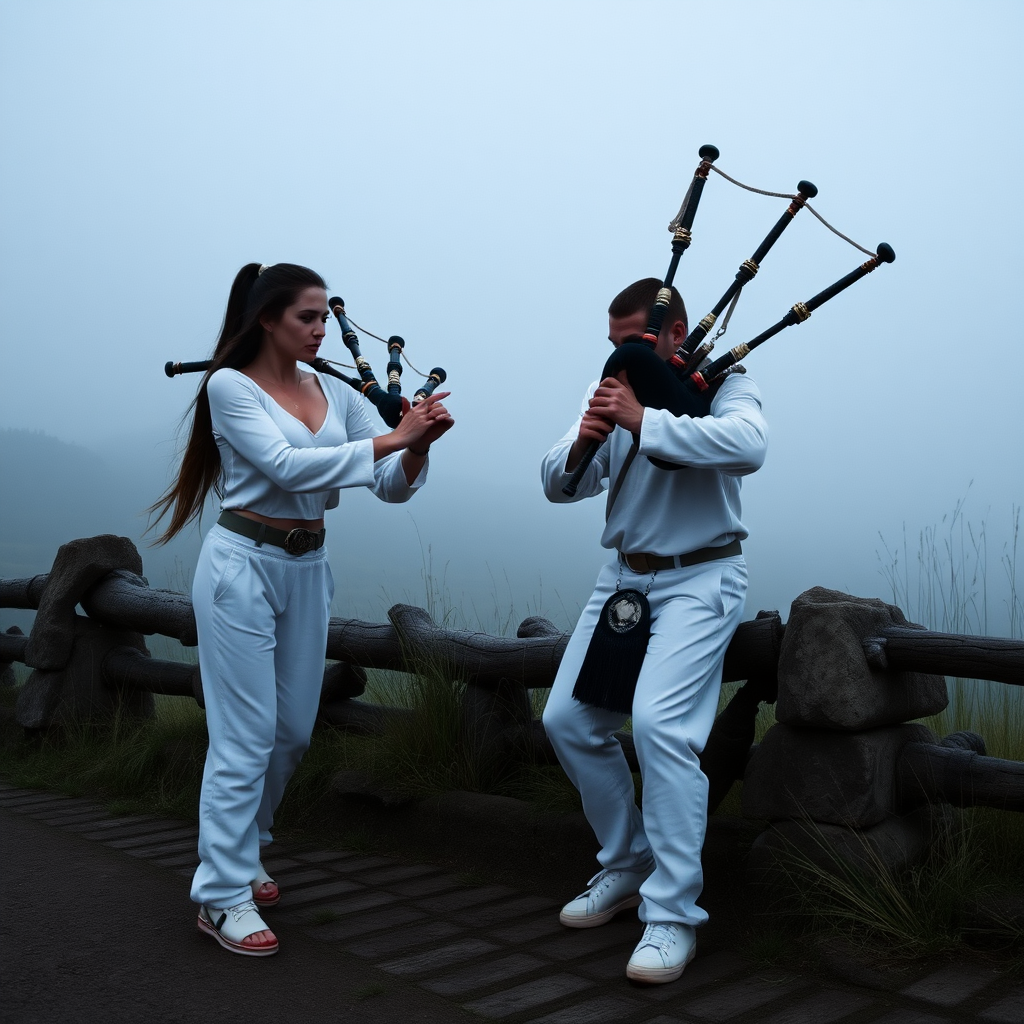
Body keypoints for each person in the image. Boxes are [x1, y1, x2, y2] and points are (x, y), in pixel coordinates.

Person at [150, 262, 453, 957]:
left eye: (324, 317)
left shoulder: (328, 389)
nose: (322, 330)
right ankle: (219, 894)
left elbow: (386, 484)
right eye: (307, 318)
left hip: (307, 567)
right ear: (266, 319)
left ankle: (248, 846)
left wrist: (415, 448)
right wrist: (393, 437)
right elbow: (286, 467)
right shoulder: (231, 387)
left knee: (290, 732)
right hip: (241, 569)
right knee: (246, 735)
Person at [539, 278, 766, 984]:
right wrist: (585, 439)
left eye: (634, 342)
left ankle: (672, 914)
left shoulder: (729, 382)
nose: (619, 357)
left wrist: (647, 419)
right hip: (624, 579)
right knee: (566, 721)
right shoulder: (613, 384)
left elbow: (747, 447)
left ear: (673, 336)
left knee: (663, 728)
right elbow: (558, 484)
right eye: (614, 345)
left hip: (702, 575)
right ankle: (629, 861)